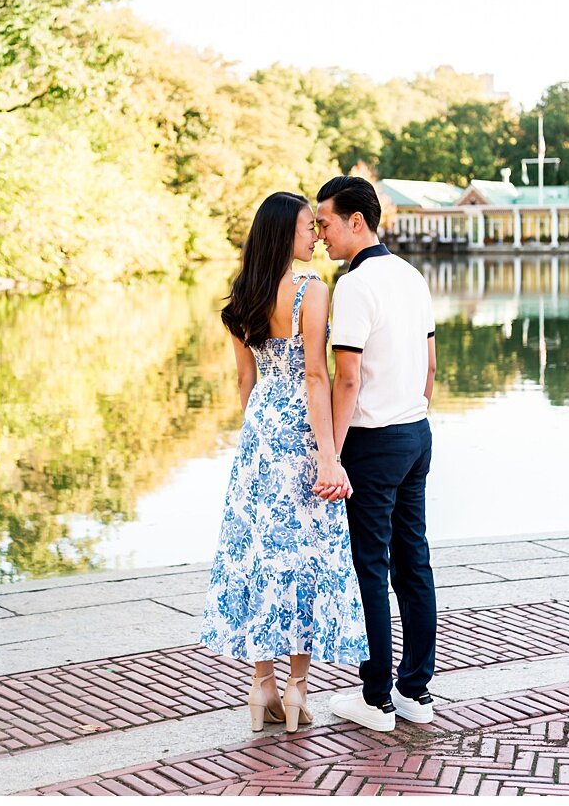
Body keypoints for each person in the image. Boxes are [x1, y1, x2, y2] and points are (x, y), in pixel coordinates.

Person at [200, 192, 369, 733]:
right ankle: (297, 687)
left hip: (258, 433)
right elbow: (317, 377)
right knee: (304, 554)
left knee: (258, 554)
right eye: (305, 227)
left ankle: (260, 686)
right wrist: (328, 454)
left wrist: (256, 436)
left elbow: (245, 381)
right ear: (282, 234)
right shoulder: (311, 291)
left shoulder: (241, 296)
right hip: (300, 428)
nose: (315, 236)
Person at [316, 176, 440, 733]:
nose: (320, 235)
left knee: (370, 565)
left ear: (355, 222)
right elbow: (432, 368)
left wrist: (334, 455)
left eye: (325, 222)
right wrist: (411, 414)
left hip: (372, 441)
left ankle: (376, 699)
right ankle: (416, 691)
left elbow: (347, 378)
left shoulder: (354, 285)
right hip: (415, 432)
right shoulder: (412, 276)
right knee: (413, 562)